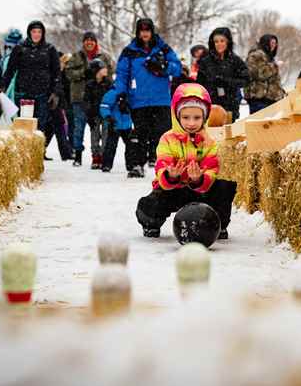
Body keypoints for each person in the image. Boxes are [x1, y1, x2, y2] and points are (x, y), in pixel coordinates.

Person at [135, 83, 237, 239]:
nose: (191, 123)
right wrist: (171, 176)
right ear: (177, 117)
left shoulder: (210, 143)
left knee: (224, 187)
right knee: (150, 204)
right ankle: (151, 223)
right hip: (173, 190)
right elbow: (162, 165)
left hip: (201, 192)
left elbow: (212, 168)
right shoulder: (167, 139)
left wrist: (199, 179)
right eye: (186, 117)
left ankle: (217, 223)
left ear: (205, 117)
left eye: (197, 118)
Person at [114, 17, 181, 168]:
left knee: (162, 134)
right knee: (140, 135)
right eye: (141, 30)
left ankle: (163, 164)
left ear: (152, 31)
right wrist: (121, 95)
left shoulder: (164, 49)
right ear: (137, 32)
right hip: (139, 100)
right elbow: (122, 75)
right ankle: (137, 165)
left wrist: (164, 66)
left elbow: (177, 68)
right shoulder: (129, 52)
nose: (144, 33)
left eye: (147, 30)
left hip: (161, 99)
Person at [0, 20, 61, 135]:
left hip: (43, 94)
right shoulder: (20, 48)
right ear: (29, 33)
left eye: (39, 32)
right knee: (24, 127)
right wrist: (3, 86)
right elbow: (10, 70)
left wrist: (55, 92)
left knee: (40, 128)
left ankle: (39, 147)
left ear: (43, 33)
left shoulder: (50, 49)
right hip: (23, 94)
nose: (36, 34)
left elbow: (56, 73)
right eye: (34, 31)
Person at [65, 31, 115, 167]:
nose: (89, 42)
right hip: (80, 97)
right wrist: (84, 72)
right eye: (86, 40)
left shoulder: (104, 57)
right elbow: (68, 73)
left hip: (99, 98)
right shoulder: (76, 57)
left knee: (99, 128)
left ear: (96, 42)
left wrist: (102, 79)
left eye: (92, 40)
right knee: (78, 128)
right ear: (83, 42)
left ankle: (101, 155)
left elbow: (110, 73)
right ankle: (78, 155)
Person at [196, 27, 250, 121]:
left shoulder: (235, 60)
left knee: (229, 129)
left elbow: (246, 80)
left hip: (230, 106)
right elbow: (199, 85)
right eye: (216, 41)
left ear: (228, 42)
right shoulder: (206, 61)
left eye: (222, 41)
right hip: (211, 106)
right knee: (211, 130)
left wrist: (227, 81)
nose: (219, 44)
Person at [99, 85, 146, 176]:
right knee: (111, 145)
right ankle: (107, 164)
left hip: (127, 124)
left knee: (130, 146)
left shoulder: (131, 93)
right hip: (115, 124)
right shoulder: (113, 93)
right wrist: (108, 117)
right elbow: (104, 106)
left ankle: (131, 165)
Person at [245, 34, 286, 114]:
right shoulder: (256, 55)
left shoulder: (268, 56)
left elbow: (272, 80)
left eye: (275, 43)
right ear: (265, 43)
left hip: (269, 100)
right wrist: (275, 66)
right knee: (259, 121)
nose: (274, 45)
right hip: (260, 99)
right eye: (272, 43)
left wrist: (280, 92)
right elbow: (260, 74)